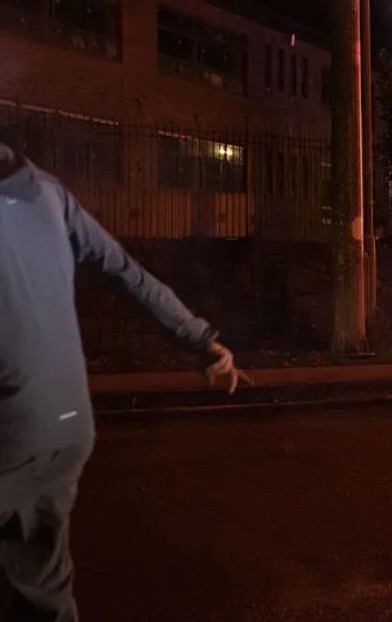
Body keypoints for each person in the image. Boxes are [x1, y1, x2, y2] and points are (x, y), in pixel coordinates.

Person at [0, 142, 249, 622]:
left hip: (10, 429)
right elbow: (126, 272)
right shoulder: (47, 191)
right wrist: (202, 341)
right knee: (40, 589)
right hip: (66, 424)